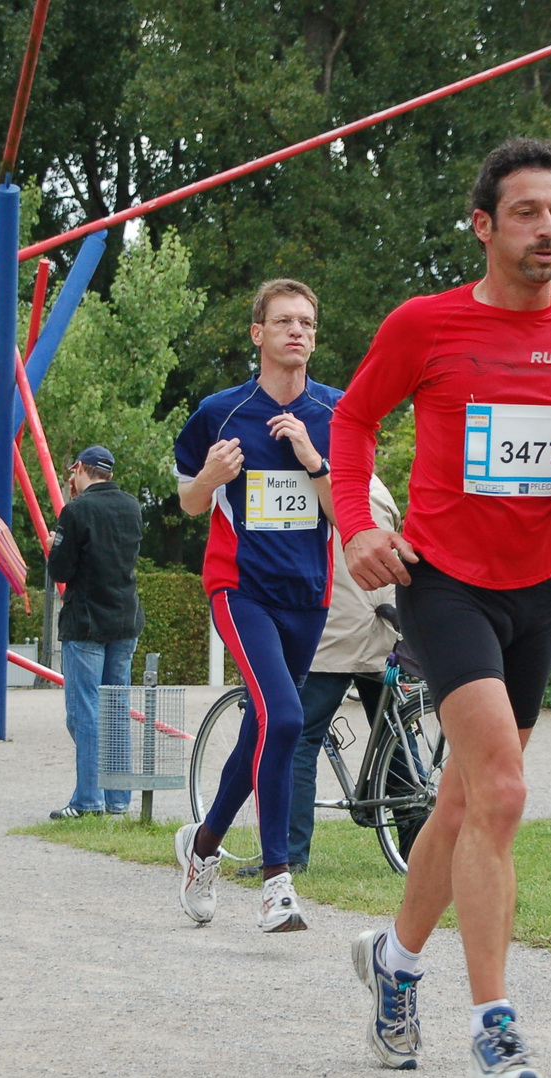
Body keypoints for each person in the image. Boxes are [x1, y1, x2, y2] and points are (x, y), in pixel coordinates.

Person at [330, 139, 551, 1078]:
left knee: (468, 801)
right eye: (526, 213)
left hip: (539, 587)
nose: (547, 229)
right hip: (444, 582)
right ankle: (495, 1030)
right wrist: (357, 526)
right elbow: (352, 422)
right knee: (503, 791)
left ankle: (393, 960)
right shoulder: (425, 325)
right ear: (483, 225)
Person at [171, 277, 339, 934]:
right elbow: (188, 500)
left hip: (309, 594)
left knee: (263, 729)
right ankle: (277, 882)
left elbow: (344, 513)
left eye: (307, 321)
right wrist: (212, 477)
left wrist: (311, 458)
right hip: (239, 587)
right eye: (284, 320)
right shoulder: (220, 411)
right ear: (258, 333)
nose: (297, 330)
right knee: (286, 715)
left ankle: (203, 845)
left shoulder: (337, 411)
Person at [263, 474, 400, 875]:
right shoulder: (377, 485)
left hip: (332, 628)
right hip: (382, 624)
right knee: (393, 735)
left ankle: (290, 852)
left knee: (300, 738)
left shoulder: (314, 483)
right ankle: (414, 844)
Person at [47, 445, 145, 820]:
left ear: (80, 470)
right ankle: (118, 799)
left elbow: (61, 568)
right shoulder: (132, 506)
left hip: (86, 621)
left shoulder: (76, 510)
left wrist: (53, 551)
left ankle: (88, 799)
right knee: (117, 710)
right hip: (125, 617)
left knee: (85, 712)